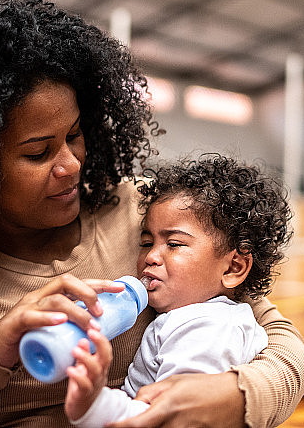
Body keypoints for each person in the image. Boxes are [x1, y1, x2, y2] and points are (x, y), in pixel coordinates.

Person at [0, 0, 304, 428]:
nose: (71, 164)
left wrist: (237, 395)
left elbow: (281, 342)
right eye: (38, 153)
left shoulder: (147, 214)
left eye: (75, 135)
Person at [64, 155, 291, 427]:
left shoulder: (205, 328)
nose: (151, 257)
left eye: (174, 244)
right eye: (146, 243)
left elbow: (172, 417)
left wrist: (95, 405)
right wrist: (94, 405)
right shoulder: (193, 318)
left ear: (233, 268)